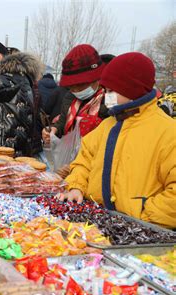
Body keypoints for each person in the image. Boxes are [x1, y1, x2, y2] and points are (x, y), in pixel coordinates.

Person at [57, 52, 176, 229]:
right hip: (100, 224)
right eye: (105, 90)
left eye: (112, 91)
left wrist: (141, 211)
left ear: (132, 89)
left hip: (143, 232)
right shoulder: (107, 125)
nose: (106, 96)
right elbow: (84, 162)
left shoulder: (168, 132)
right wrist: (76, 187)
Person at [42, 44, 108, 144]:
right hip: (72, 155)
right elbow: (62, 123)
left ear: (96, 77)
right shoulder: (69, 97)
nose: (76, 90)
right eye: (71, 86)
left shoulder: (112, 98)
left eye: (80, 85)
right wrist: (54, 129)